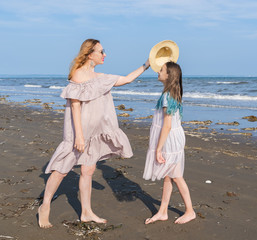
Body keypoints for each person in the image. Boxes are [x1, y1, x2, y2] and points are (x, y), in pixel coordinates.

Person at [38, 39, 150, 228]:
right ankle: (45, 206)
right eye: (101, 51)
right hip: (78, 132)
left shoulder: (101, 77)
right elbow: (75, 107)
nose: (104, 54)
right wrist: (79, 137)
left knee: (88, 170)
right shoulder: (78, 74)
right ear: (90, 54)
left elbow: (127, 79)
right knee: (62, 170)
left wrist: (147, 64)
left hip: (96, 132)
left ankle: (86, 212)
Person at [143, 61, 196, 224]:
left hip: (171, 140)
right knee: (169, 176)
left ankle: (190, 211)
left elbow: (166, 125)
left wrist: (158, 149)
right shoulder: (170, 93)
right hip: (174, 138)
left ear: (169, 76)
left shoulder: (167, 96)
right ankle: (163, 211)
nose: (158, 72)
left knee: (176, 176)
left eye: (161, 70)